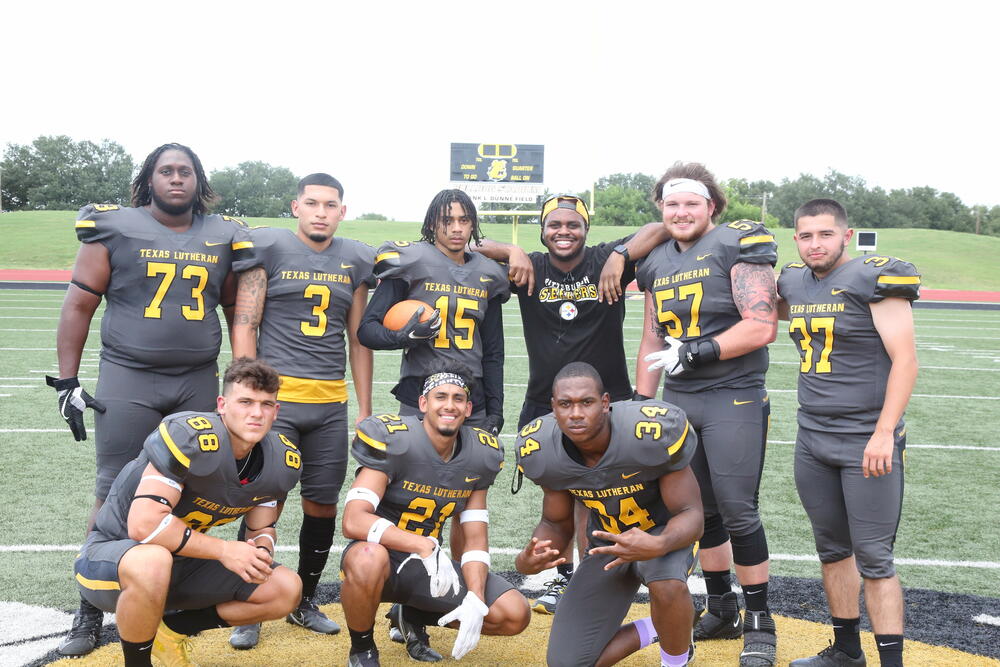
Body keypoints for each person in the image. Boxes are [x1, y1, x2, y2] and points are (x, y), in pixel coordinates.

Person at [48, 142, 261, 657]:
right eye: (165, 171)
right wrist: (68, 380)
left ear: (198, 179)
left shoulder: (224, 234)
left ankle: (186, 587)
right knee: (112, 486)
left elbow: (239, 311)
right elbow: (79, 303)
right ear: (149, 179)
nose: (175, 179)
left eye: (184, 171)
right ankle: (89, 603)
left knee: (198, 481)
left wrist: (241, 382)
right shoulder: (113, 226)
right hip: (128, 375)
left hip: (195, 377)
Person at [474, 193, 670, 614]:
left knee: (599, 495)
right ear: (542, 231)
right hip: (547, 402)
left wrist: (619, 255)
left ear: (586, 229)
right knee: (559, 496)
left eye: (573, 225)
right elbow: (472, 244)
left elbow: (661, 228)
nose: (563, 232)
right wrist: (511, 251)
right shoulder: (529, 265)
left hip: (607, 402)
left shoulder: (604, 259)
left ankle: (605, 576)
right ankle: (569, 578)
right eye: (554, 225)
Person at [635, 162, 779, 667]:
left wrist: (697, 352)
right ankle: (721, 606)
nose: (681, 211)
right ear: (660, 209)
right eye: (671, 204)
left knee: (738, 508)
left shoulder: (737, 245)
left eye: (691, 203)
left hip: (732, 393)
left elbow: (761, 326)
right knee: (697, 511)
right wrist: (642, 400)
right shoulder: (653, 261)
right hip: (679, 398)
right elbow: (654, 335)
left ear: (712, 206)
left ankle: (761, 621)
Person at [71, 358, 302, 667]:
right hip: (111, 557)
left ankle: (172, 631)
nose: (257, 413)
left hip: (179, 563)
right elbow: (144, 526)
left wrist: (260, 552)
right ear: (222, 404)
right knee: (152, 559)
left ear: (276, 410)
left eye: (266, 404)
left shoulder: (281, 461)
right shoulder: (191, 437)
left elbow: (262, 528)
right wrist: (224, 550)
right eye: (245, 401)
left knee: (285, 588)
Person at [227, 173, 375, 648]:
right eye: (312, 203)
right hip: (278, 403)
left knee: (323, 503)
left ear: (342, 211)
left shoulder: (353, 259)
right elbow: (245, 322)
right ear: (296, 207)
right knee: (263, 498)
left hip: (330, 404)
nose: (321, 212)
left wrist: (364, 407)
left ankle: (305, 599)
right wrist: (248, 396)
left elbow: (358, 338)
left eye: (330, 205)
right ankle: (251, 598)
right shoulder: (268, 247)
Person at [777, 199, 919, 667]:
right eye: (805, 236)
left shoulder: (872, 278)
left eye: (824, 234)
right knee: (832, 550)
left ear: (846, 235)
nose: (815, 243)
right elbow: (767, 311)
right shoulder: (794, 281)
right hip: (812, 435)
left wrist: (883, 432)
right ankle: (845, 650)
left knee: (875, 559)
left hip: (865, 437)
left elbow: (905, 360)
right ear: (795, 239)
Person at [514, 362, 702, 667]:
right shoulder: (543, 450)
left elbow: (691, 514)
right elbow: (555, 523)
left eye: (586, 402)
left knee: (666, 583)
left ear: (605, 404)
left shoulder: (649, 433)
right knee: (566, 663)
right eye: (565, 404)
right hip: (608, 546)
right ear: (553, 407)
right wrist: (527, 560)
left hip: (663, 533)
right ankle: (663, 625)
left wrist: (658, 544)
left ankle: (676, 660)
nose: (575, 413)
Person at [340, 370, 530, 666]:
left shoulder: (481, 455)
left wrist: (476, 597)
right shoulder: (395, 441)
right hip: (380, 557)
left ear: (468, 409)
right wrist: (421, 545)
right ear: (423, 403)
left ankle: (411, 613)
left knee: (514, 613)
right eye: (440, 396)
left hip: (429, 569)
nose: (449, 405)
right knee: (368, 557)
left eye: (458, 398)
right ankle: (363, 649)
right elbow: (353, 520)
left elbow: (475, 538)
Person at [357, 188, 508, 434]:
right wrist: (402, 337)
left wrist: (496, 410)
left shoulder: (488, 273)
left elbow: (493, 351)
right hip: (419, 389)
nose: (456, 228)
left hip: (472, 394)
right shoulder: (410, 262)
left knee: (473, 467)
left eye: (464, 220)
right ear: (431, 225)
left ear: (473, 225)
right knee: (413, 468)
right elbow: (367, 330)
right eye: (447, 221)